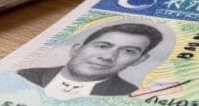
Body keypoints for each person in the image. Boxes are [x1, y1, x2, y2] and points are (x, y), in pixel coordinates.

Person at [17, 22, 164, 99]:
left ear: (139, 60)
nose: (107, 57)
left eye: (128, 51)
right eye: (102, 46)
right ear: (76, 49)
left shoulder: (130, 95)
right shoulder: (24, 76)